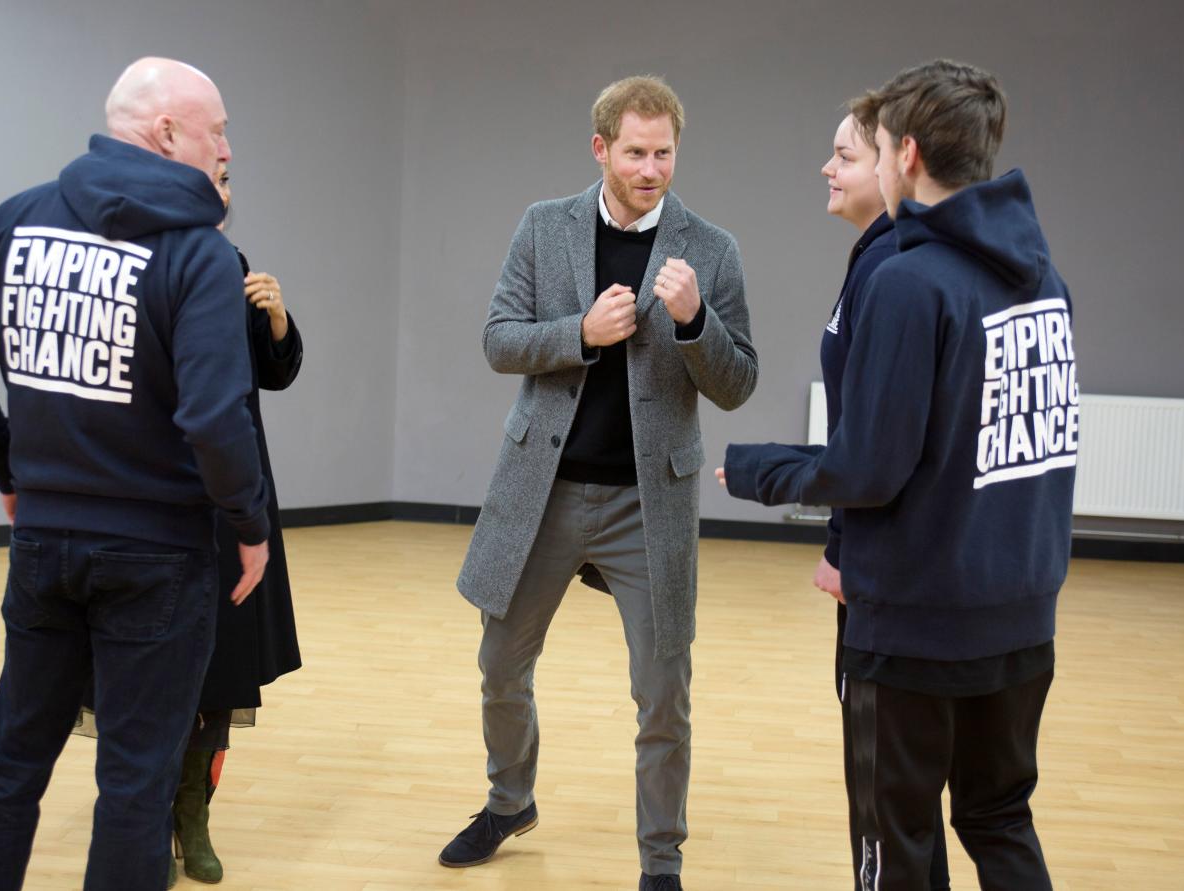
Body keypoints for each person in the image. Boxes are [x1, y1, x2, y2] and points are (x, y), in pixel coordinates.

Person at [720, 59, 1076, 891]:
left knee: (896, 840)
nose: (865, 163)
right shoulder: (1043, 277)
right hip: (1023, 621)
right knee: (998, 819)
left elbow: (868, 468)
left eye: (871, 147)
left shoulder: (911, 282)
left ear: (905, 155)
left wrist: (751, 468)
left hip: (916, 629)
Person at [0, 57, 269, 891]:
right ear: (168, 133)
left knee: (12, 763)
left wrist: (8, 468)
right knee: (135, 782)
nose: (226, 142)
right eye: (218, 127)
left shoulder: (17, 220)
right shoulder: (197, 254)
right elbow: (212, 416)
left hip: (44, 545)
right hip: (159, 556)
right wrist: (247, 524)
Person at [441, 76, 758, 891]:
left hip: (645, 505)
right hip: (541, 492)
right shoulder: (544, 227)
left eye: (664, 153)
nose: (651, 169)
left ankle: (661, 860)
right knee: (500, 664)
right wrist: (577, 333)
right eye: (635, 153)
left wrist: (694, 324)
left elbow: (737, 382)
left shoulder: (709, 248)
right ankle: (509, 799)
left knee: (662, 692)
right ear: (600, 149)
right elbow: (497, 339)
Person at [818, 114, 950, 890]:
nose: (826, 168)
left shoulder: (892, 267)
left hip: (884, 574)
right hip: (877, 557)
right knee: (895, 793)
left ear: (894, 163)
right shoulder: (871, 258)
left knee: (884, 790)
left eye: (843, 155)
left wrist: (841, 544)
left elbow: (876, 438)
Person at [167, 164, 304, 887]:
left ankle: (193, 815)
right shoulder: (140, 267)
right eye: (207, 174)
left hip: (230, 503)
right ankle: (143, 818)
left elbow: (271, 372)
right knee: (150, 668)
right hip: (154, 495)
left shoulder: (233, 264)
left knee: (219, 667)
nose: (221, 187)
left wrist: (276, 318)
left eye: (225, 177)